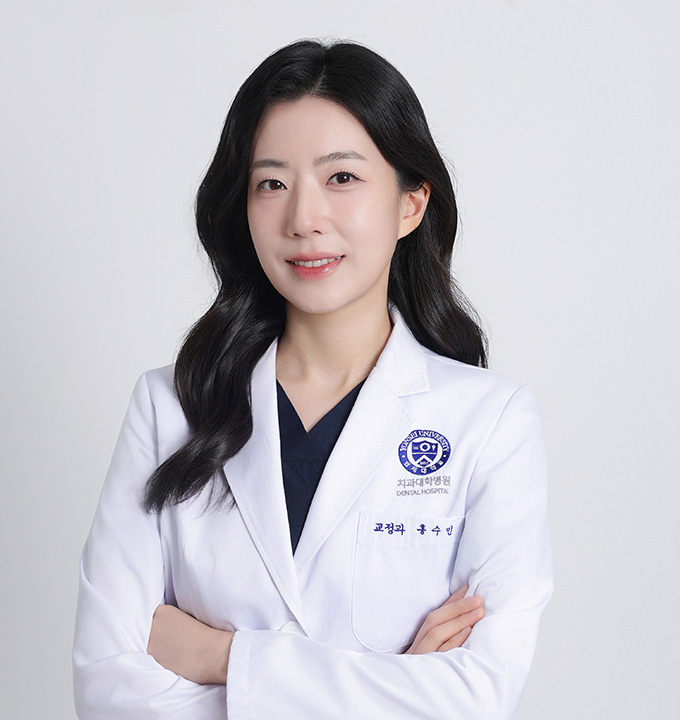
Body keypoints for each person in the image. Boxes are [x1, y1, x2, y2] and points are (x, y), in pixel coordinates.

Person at [73, 39, 552, 719]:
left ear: (411, 204)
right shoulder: (168, 407)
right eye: (271, 183)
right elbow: (107, 691)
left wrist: (224, 659)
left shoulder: (490, 422)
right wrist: (394, 684)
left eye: (342, 178)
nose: (302, 219)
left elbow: (477, 697)